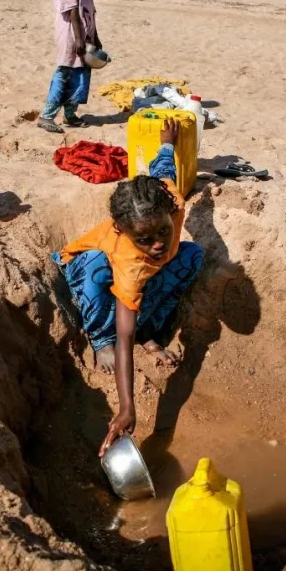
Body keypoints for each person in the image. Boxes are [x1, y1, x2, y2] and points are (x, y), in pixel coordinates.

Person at [52, 120, 205, 456]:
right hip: (89, 266)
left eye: (163, 232)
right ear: (122, 230)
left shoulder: (170, 200)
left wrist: (168, 142)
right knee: (94, 270)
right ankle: (97, 338)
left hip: (147, 276)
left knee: (191, 255)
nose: (157, 244)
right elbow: (125, 337)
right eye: (144, 240)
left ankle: (149, 331)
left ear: (170, 212)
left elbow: (161, 169)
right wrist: (127, 408)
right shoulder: (129, 260)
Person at [38, 0, 101, 134]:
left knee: (80, 72)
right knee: (65, 71)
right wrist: (78, 38)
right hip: (69, 34)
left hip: (86, 33)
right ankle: (47, 115)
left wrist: (95, 36)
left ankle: (70, 114)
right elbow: (72, 12)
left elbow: (90, 11)